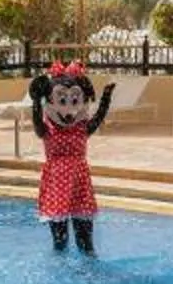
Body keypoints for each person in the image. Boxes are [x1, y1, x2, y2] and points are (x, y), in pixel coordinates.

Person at [28, 62, 113, 254]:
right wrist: (35, 102)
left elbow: (99, 116)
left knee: (86, 243)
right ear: (49, 100)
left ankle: (89, 273)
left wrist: (106, 98)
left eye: (75, 101)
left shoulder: (82, 127)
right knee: (60, 244)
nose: (69, 110)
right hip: (56, 185)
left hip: (79, 185)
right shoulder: (46, 128)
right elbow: (36, 121)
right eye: (62, 100)